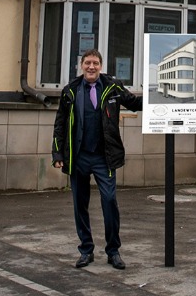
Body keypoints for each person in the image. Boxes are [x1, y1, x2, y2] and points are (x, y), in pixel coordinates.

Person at [52, 48, 142, 270]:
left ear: (101, 66)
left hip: (104, 158)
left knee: (109, 201)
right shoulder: (70, 91)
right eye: (87, 63)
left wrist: (160, 97)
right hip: (78, 157)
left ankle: (113, 252)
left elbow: (134, 103)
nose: (91, 67)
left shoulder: (113, 87)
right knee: (79, 205)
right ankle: (86, 250)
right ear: (81, 66)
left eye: (95, 63)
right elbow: (60, 124)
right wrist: (57, 154)